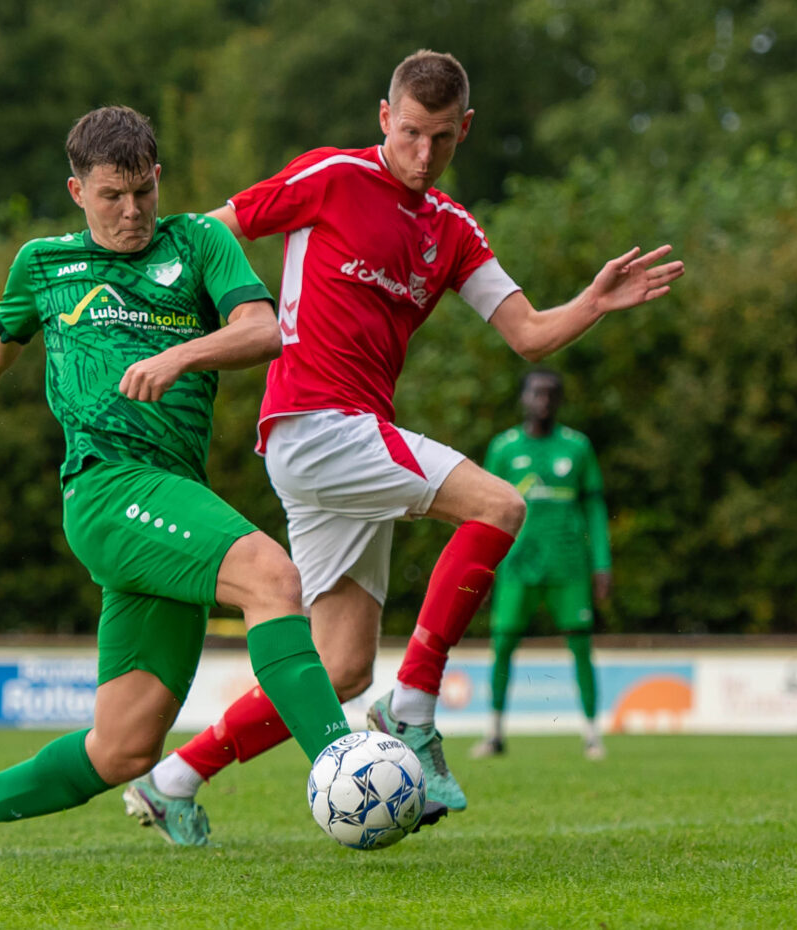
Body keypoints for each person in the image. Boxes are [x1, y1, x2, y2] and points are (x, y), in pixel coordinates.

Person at [127, 49, 684, 843]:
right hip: (314, 421)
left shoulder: (451, 229)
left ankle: (174, 779)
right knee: (500, 506)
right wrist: (187, 324)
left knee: (341, 667)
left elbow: (528, 334)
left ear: (466, 130)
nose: (425, 155)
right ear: (385, 117)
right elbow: (210, 232)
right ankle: (414, 707)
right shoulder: (332, 176)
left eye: (443, 138)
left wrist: (592, 303)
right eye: (412, 133)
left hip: (347, 442)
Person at [0, 105, 350, 853]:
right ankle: (349, 769)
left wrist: (180, 355)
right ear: (77, 191)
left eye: (143, 192)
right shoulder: (43, 263)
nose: (132, 211)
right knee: (272, 578)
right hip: (107, 489)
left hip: (171, 497)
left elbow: (262, 330)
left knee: (125, 748)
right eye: (112, 196)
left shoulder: (198, 241)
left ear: (159, 178)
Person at [471, 369, 612, 761]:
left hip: (568, 565)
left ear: (559, 400)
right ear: (523, 398)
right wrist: (482, 567)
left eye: (551, 394)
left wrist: (602, 564)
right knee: (502, 644)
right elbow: (486, 514)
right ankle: (494, 733)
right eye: (536, 393)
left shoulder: (577, 447)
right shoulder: (504, 448)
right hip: (517, 565)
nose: (543, 401)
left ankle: (592, 735)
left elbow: (595, 508)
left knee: (581, 644)